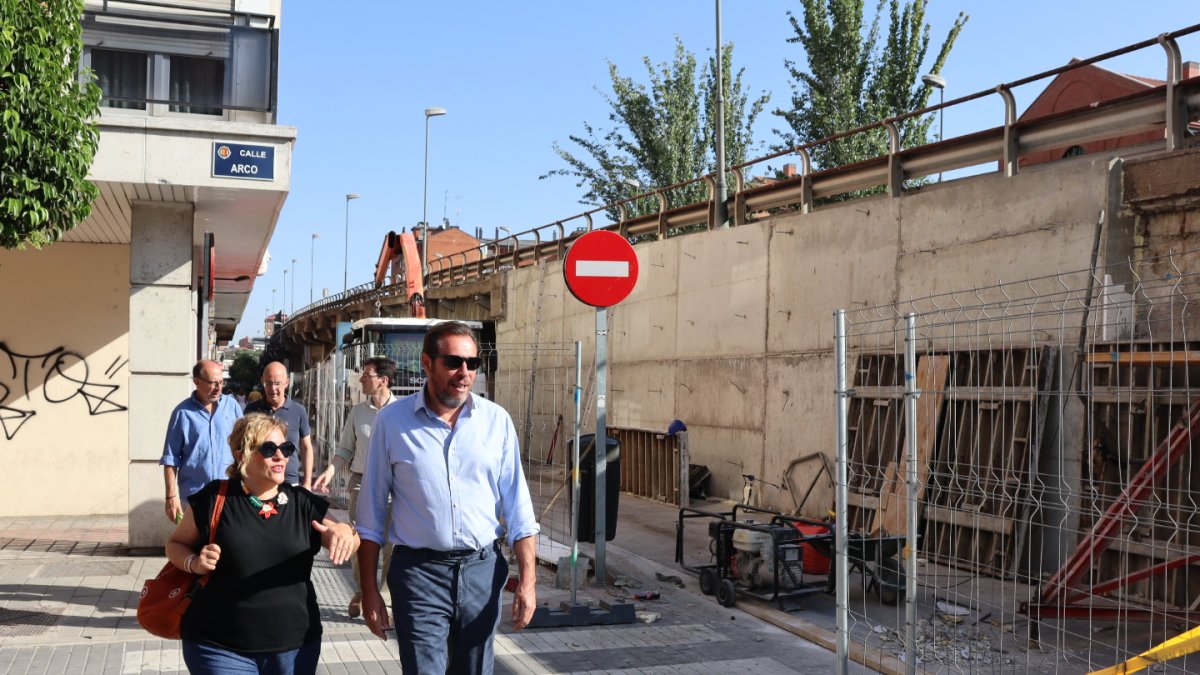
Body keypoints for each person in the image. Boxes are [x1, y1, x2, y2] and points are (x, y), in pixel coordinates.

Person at [357, 321, 539, 673]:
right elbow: (370, 517)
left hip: (481, 573)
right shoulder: (392, 423)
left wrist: (528, 582)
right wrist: (369, 590)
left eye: (473, 363)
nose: (464, 372)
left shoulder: (496, 421)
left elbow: (519, 508)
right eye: (454, 362)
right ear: (427, 363)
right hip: (419, 575)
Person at [166, 413, 359, 674]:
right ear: (240, 455)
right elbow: (175, 544)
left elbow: (343, 534)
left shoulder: (301, 502)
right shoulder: (215, 498)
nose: (280, 456)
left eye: (286, 448)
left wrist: (346, 532)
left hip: (295, 647)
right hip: (219, 645)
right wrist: (194, 563)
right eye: (269, 449)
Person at [312, 356, 397, 619]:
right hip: (362, 482)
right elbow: (346, 448)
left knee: (392, 544)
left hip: (396, 487)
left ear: (383, 380)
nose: (360, 379)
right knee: (358, 540)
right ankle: (361, 592)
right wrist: (330, 470)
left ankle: (385, 599)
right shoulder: (357, 412)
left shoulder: (401, 411)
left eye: (366, 375)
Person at [161, 360, 244, 524]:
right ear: (197, 381)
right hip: (194, 498)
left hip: (229, 495)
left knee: (228, 548)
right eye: (213, 383)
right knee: (195, 547)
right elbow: (170, 459)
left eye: (221, 382)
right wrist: (171, 496)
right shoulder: (182, 413)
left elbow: (245, 447)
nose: (218, 388)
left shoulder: (232, 406)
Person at [245, 361, 314, 489]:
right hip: (259, 482)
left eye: (277, 383)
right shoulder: (251, 411)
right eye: (268, 383)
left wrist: (307, 482)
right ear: (262, 381)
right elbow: (245, 447)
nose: (272, 388)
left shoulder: (298, 411)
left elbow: (306, 447)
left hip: (289, 482)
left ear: (287, 382)